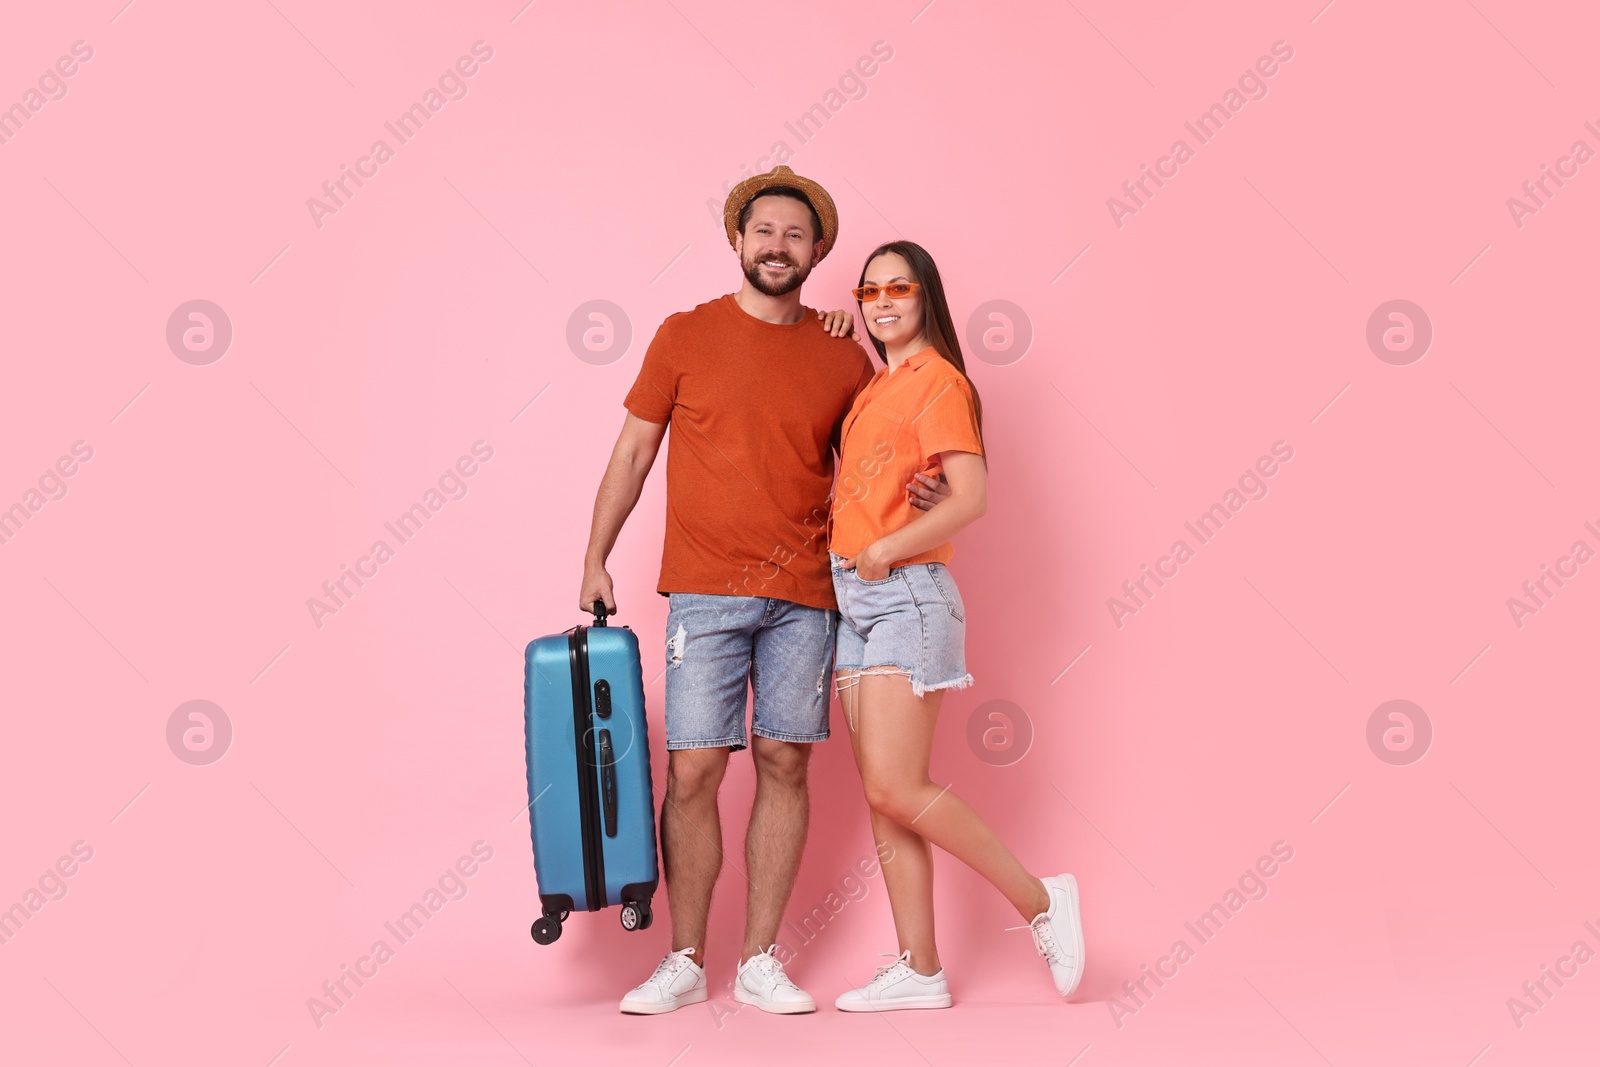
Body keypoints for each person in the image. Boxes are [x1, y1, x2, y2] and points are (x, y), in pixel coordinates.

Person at [579, 168, 948, 1016]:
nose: (777, 246)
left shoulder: (840, 355)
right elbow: (633, 453)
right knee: (694, 770)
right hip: (704, 593)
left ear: (818, 252)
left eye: (795, 235)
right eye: (764, 231)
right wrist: (596, 555)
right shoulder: (683, 335)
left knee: (785, 761)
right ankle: (682, 957)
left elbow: (882, 459)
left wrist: (930, 490)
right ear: (738, 242)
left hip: (809, 593)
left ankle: (759, 960)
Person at [826, 240, 1084, 1011]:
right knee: (884, 795)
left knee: (898, 783)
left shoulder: (937, 379)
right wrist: (837, 330)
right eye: (868, 289)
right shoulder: (879, 385)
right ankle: (920, 967)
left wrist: (884, 549)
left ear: (926, 294)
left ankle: (1041, 899)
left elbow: (971, 496)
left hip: (904, 592)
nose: (881, 300)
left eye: (897, 287)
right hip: (855, 600)